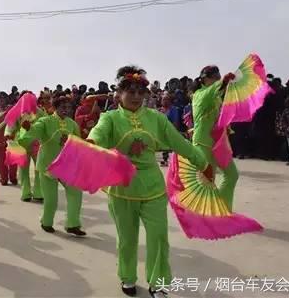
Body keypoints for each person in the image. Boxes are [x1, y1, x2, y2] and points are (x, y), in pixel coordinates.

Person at [87, 66, 208, 298]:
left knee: (159, 238)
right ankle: (128, 277)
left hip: (152, 187)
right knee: (127, 239)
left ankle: (158, 283)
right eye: (129, 91)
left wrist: (203, 163)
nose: (135, 96)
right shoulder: (109, 118)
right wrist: (92, 142)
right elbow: (98, 135)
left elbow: (179, 142)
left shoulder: (156, 118)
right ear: (118, 94)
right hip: (122, 188)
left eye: (139, 92)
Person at [19, 92, 85, 236]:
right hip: (48, 166)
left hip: (67, 166)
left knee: (76, 192)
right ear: (55, 107)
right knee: (51, 199)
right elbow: (35, 130)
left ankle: (72, 224)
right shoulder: (46, 121)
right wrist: (28, 128)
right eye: (62, 106)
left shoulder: (72, 124)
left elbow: (78, 143)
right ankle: (46, 222)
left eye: (68, 107)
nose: (65, 109)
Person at [191, 65, 238, 210]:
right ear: (203, 79)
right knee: (206, 182)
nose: (216, 79)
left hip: (218, 142)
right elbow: (211, 92)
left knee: (232, 175)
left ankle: (222, 209)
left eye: (218, 76)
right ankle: (205, 215)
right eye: (214, 77)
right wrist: (223, 82)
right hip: (203, 142)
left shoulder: (216, 97)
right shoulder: (199, 94)